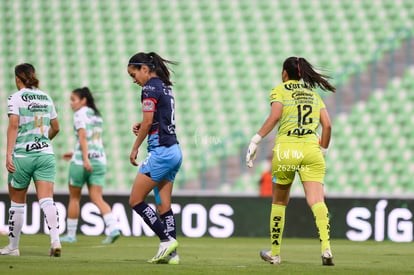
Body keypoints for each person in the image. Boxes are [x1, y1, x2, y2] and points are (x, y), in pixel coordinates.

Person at [246, 57, 335, 266]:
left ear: (284, 74)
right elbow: (328, 125)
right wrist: (322, 149)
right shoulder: (313, 95)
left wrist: (255, 140)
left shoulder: (281, 90)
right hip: (311, 149)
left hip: (287, 150)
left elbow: (275, 116)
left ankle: (275, 253)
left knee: (279, 201)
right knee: (317, 200)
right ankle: (326, 249)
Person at [0, 63, 61, 257]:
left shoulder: (15, 98)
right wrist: (43, 142)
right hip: (45, 155)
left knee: (17, 202)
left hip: (22, 155)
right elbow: (56, 127)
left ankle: (13, 247)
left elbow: (13, 125)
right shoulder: (46, 97)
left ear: (18, 79)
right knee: (47, 200)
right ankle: (55, 241)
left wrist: (8, 154)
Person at [127, 52, 182, 264]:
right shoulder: (164, 87)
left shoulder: (149, 88)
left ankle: (165, 241)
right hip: (174, 151)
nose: (134, 80)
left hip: (160, 153)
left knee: (135, 200)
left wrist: (134, 148)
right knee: (163, 206)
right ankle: (173, 255)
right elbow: (159, 118)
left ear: (144, 68)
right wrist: (143, 125)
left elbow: (149, 120)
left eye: (134, 74)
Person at [60, 87, 120, 244]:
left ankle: (71, 235)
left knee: (74, 198)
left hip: (81, 162)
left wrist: (84, 159)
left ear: (83, 100)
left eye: (73, 99)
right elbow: (93, 141)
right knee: (97, 198)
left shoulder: (79, 114)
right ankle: (113, 228)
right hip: (99, 160)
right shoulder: (97, 116)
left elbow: (83, 137)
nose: (71, 103)